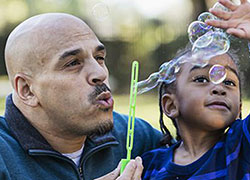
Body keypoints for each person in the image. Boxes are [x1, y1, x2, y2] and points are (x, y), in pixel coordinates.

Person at [1, 13, 162, 180]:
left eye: (99, 58)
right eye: (73, 63)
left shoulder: (139, 137)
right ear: (27, 90)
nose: (100, 73)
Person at [141, 0, 250, 179]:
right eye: (201, 79)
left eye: (229, 83)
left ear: (239, 108)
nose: (219, 88)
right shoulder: (149, 165)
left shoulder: (241, 144)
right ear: (170, 105)